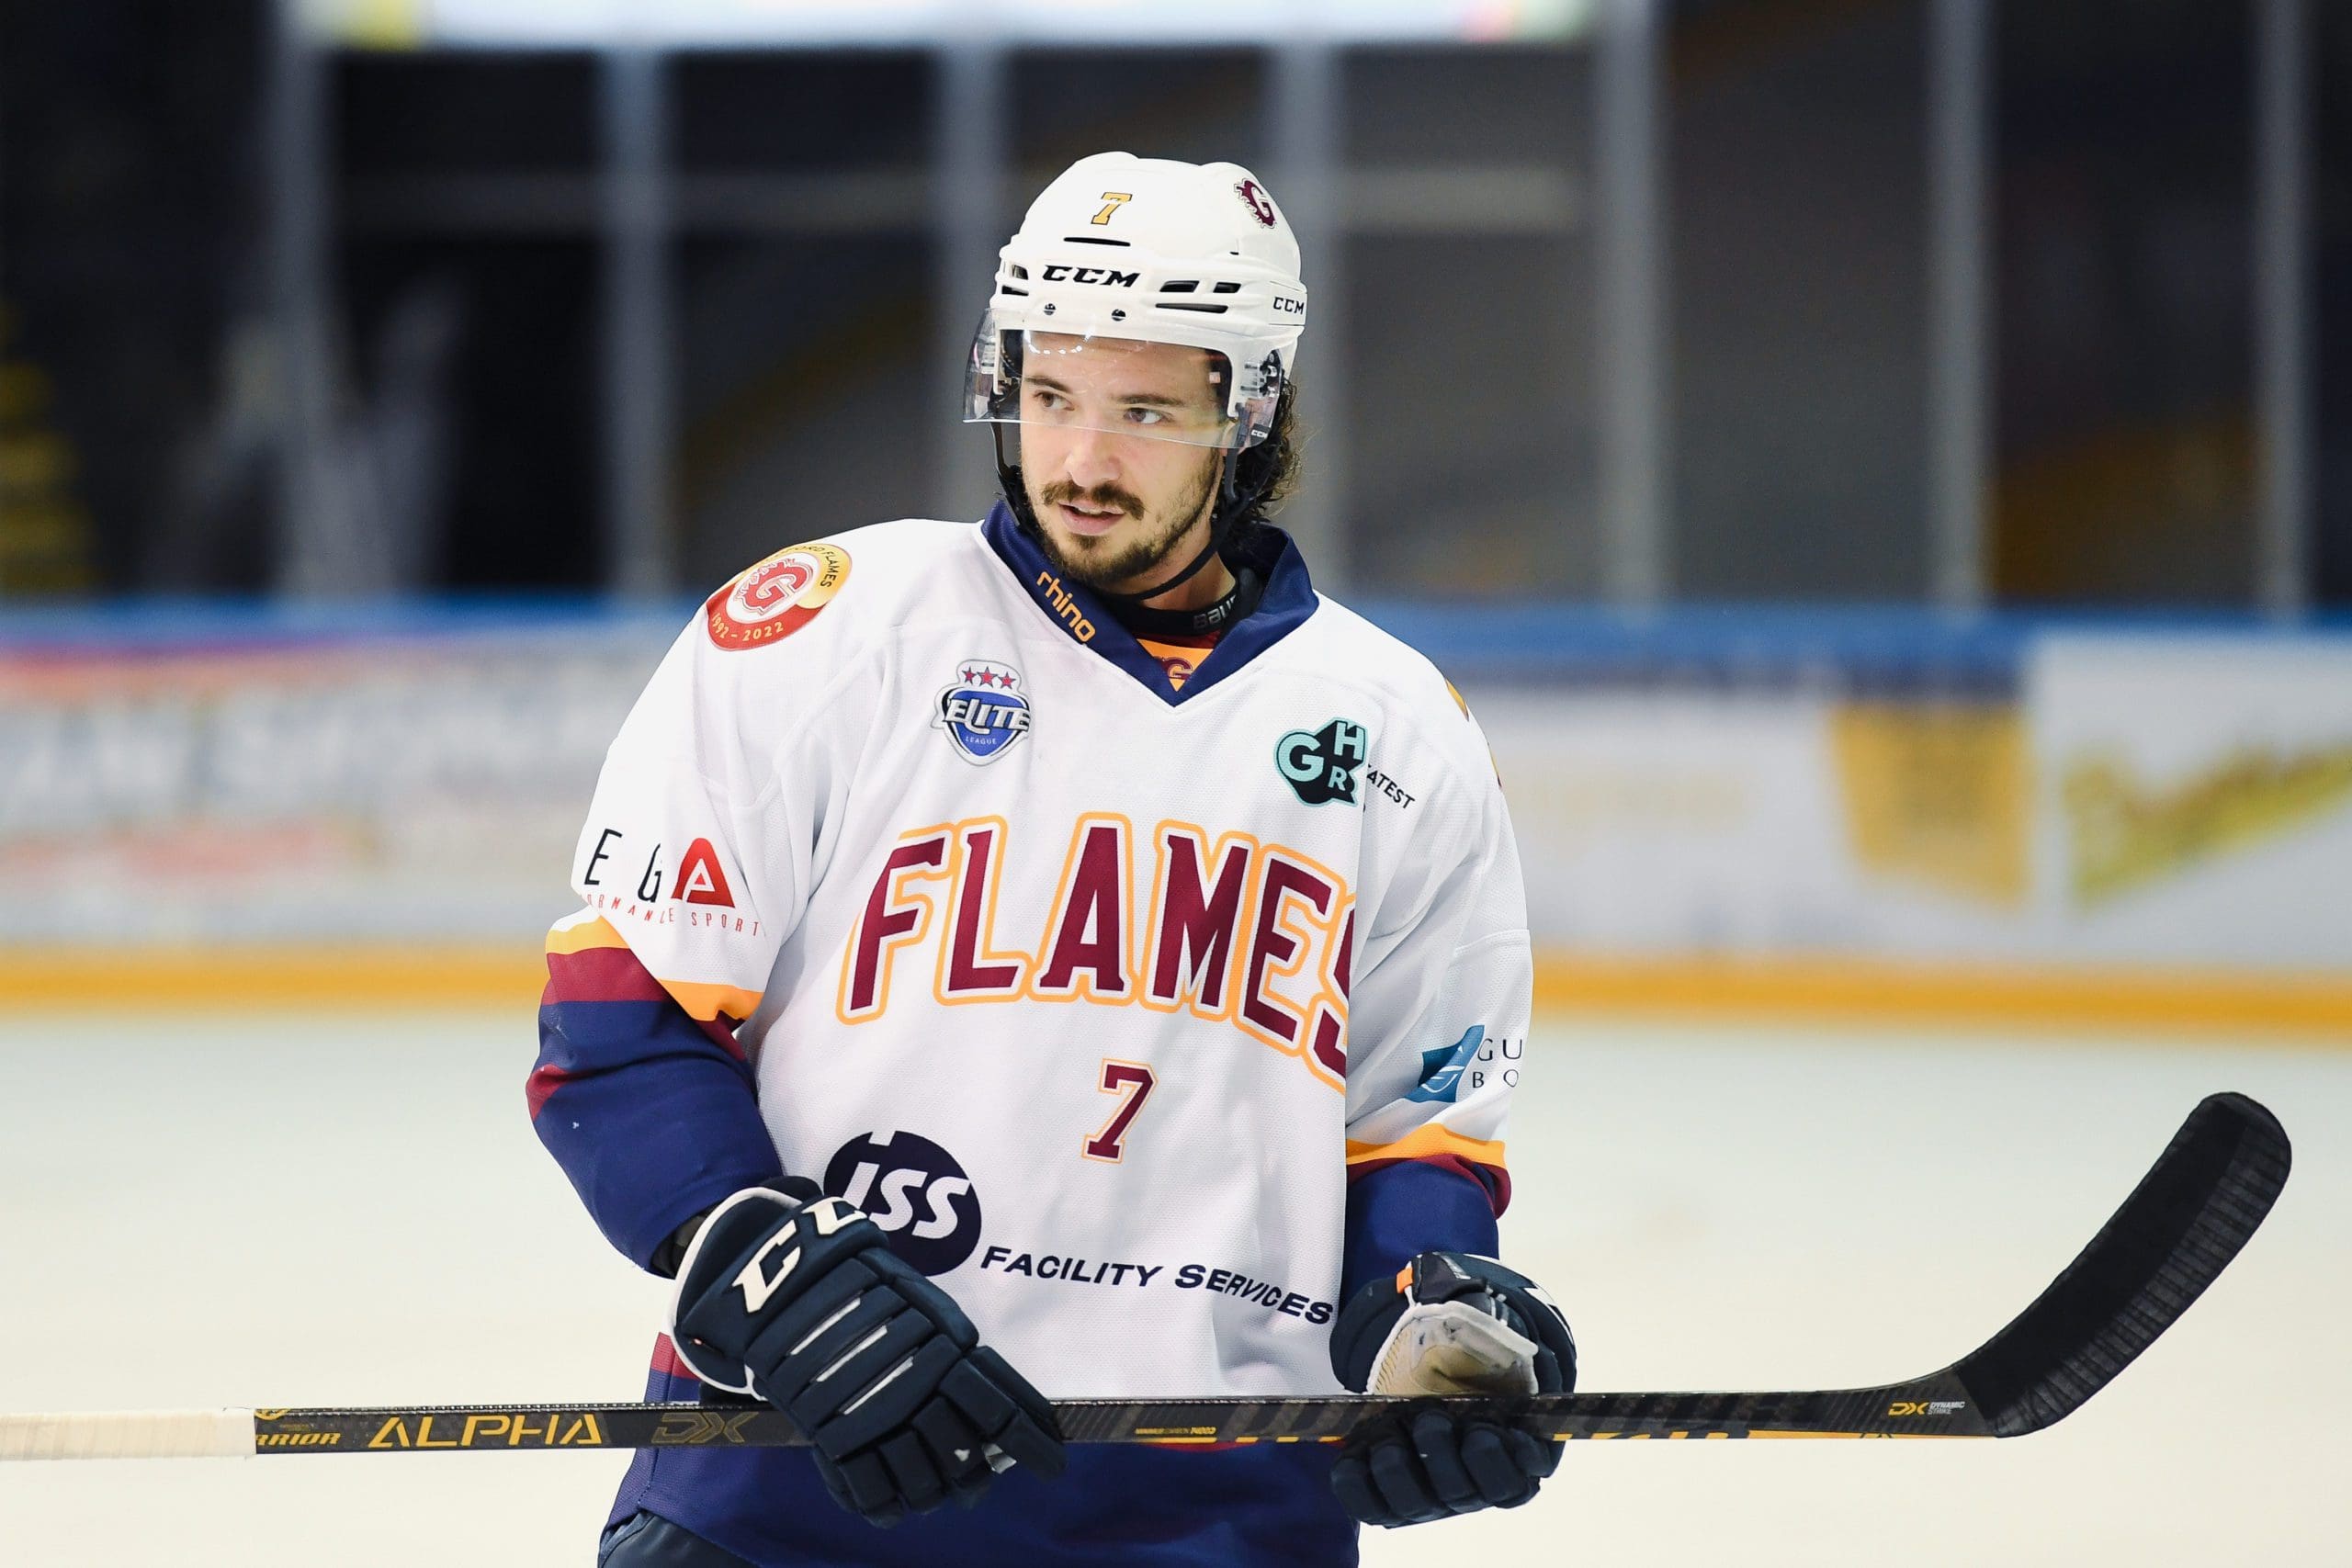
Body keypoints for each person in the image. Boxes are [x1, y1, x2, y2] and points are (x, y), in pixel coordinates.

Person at [530, 150, 1575, 1568]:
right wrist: (759, 1268)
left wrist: (1433, 1324)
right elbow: (622, 1024)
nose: (1079, 461)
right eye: (1049, 397)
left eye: (1143, 412)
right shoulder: (827, 634)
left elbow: (1414, 1133)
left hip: (1219, 1512)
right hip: (799, 1484)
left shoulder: (1401, 733)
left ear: (1250, 412)